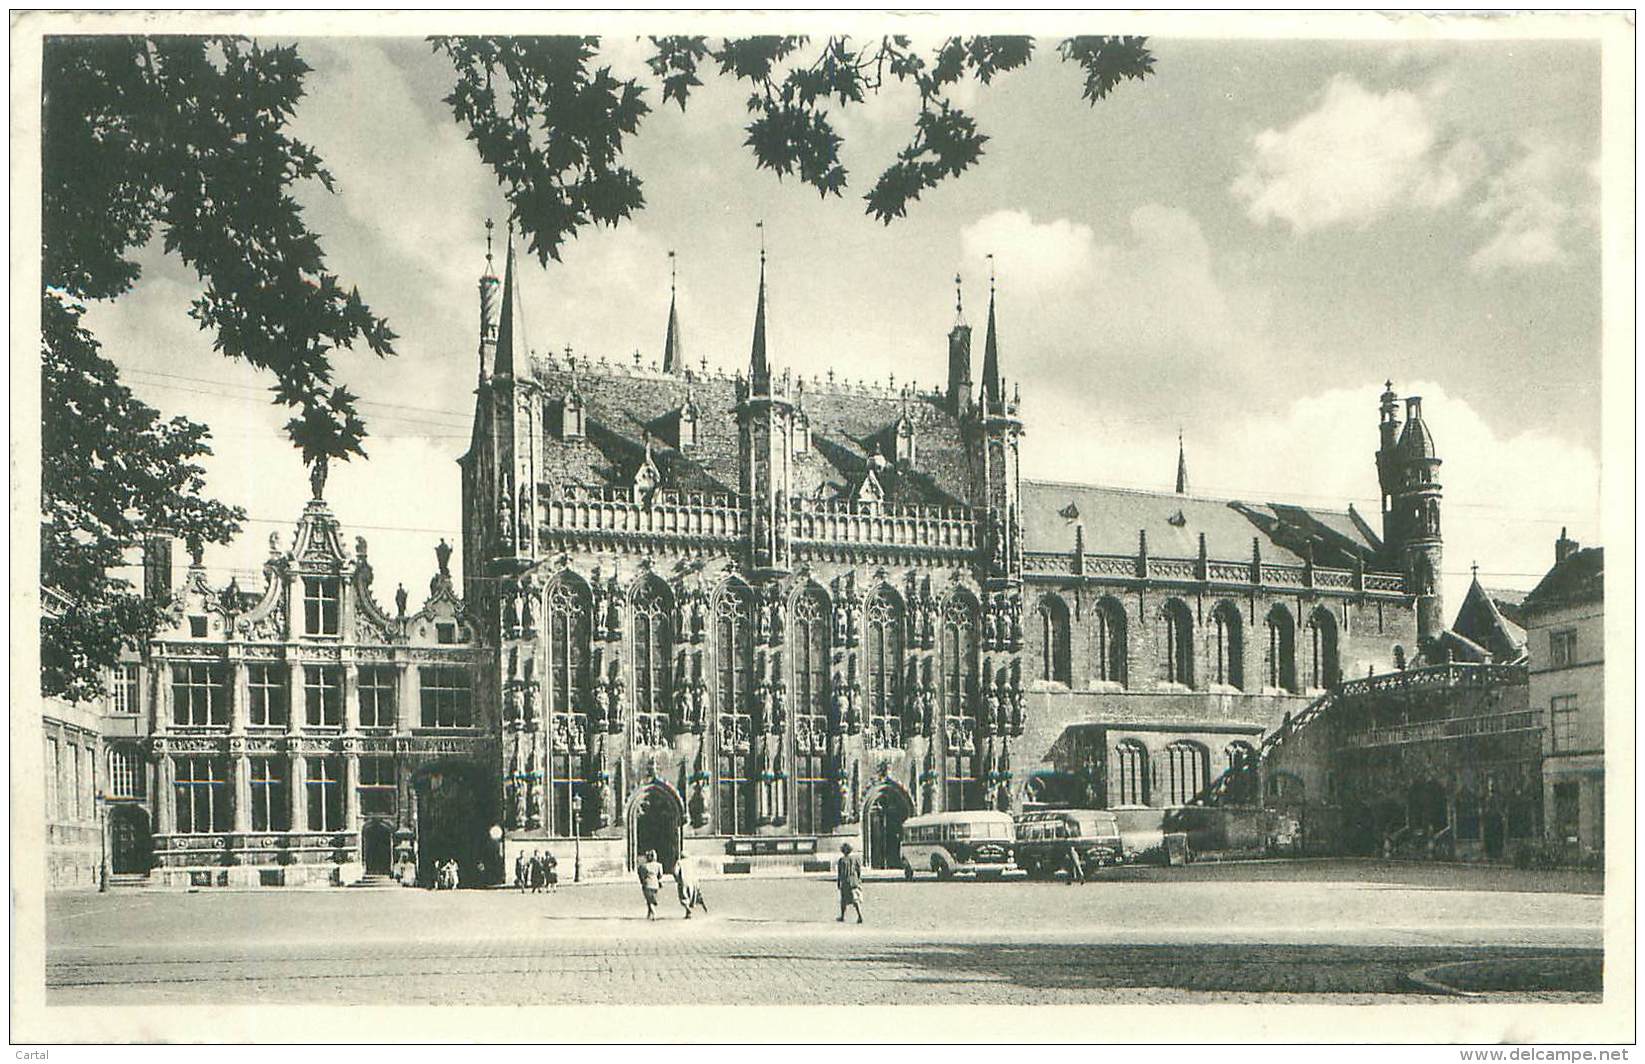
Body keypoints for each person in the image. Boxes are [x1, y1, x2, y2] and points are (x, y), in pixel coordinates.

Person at [836, 842, 863, 924]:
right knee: (855, 899)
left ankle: (843, 916)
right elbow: (859, 870)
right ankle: (859, 915)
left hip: (845, 882)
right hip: (854, 881)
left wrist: (838, 882)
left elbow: (839, 873)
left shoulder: (841, 860)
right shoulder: (856, 859)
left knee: (844, 900)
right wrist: (858, 879)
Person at [637, 849, 665, 920]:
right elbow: (660, 875)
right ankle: (649, 914)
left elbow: (641, 875)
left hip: (647, 884)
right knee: (650, 900)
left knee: (649, 900)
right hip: (655, 885)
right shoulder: (659, 865)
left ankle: (654, 913)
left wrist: (643, 881)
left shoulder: (644, 866)